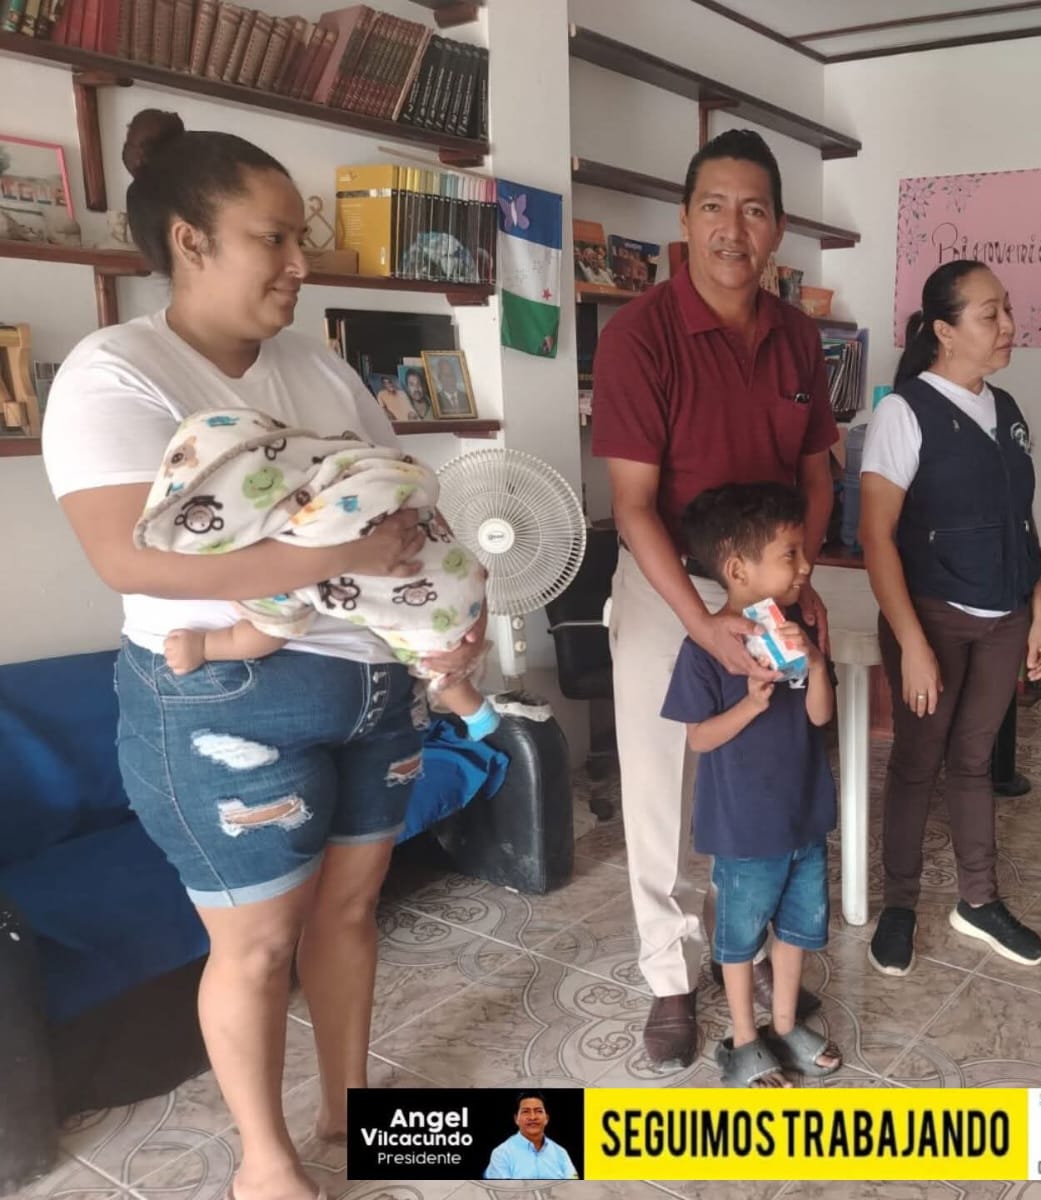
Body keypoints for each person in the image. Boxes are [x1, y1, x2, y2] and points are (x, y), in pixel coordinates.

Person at [40, 109, 486, 1200]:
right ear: (190, 240)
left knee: (349, 912)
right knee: (255, 947)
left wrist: (442, 618)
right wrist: (334, 553)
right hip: (226, 697)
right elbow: (127, 558)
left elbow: (392, 513)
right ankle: (266, 1162)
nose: (299, 262)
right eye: (273, 238)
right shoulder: (118, 372)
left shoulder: (317, 368)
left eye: (301, 238)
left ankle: (349, 1109)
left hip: (373, 682)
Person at [590, 128, 836, 1067]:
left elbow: (814, 473)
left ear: (778, 228)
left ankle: (758, 950)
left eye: (754, 210)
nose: (734, 228)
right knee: (663, 781)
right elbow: (633, 504)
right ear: (685, 220)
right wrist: (701, 623)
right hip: (673, 588)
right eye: (714, 207)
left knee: (769, 768)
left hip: (771, 585)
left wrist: (798, 582)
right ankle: (668, 973)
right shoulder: (639, 335)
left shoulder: (797, 337)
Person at [859, 260, 1041, 977]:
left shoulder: (1008, 411)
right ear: (943, 331)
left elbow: (1021, 520)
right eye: (988, 314)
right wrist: (911, 643)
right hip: (934, 616)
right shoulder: (903, 411)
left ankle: (978, 899)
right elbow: (876, 536)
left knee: (974, 761)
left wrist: (1039, 614)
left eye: (1006, 310)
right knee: (917, 762)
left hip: (1004, 617)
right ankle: (899, 906)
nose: (1007, 326)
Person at [140, 407, 499, 741]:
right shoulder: (341, 468)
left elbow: (269, 634)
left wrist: (204, 646)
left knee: (440, 670)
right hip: (461, 568)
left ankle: (478, 716)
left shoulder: (278, 559)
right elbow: (418, 484)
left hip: (433, 613)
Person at [661, 483, 841, 1087]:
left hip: (805, 815)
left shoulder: (797, 629)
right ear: (738, 570)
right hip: (743, 828)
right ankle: (743, 1040)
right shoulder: (704, 650)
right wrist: (751, 704)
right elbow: (699, 739)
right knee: (739, 940)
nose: (805, 565)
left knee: (796, 929)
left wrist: (816, 663)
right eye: (791, 554)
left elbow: (820, 717)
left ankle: (785, 1025)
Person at [483, 1092, 580, 1180]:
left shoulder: (561, 1153)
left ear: (546, 1118)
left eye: (539, 1111)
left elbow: (573, 1186)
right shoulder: (501, 1153)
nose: (533, 1117)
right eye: (526, 1111)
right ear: (516, 1119)